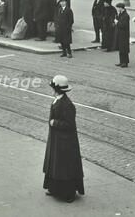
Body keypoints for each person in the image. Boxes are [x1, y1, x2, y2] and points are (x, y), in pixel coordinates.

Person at [42, 75, 84, 203]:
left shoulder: (66, 104)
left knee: (64, 167)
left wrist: (54, 123)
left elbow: (70, 124)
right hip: (57, 139)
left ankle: (68, 192)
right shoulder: (59, 100)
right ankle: (54, 188)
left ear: (57, 89)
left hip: (65, 142)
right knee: (56, 164)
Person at [115, 2, 130, 68]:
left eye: (118, 8)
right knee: (121, 48)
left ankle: (125, 62)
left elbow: (123, 25)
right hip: (120, 34)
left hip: (124, 34)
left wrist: (117, 22)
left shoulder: (126, 15)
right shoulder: (120, 14)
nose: (117, 9)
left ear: (121, 8)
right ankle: (121, 61)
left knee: (124, 49)